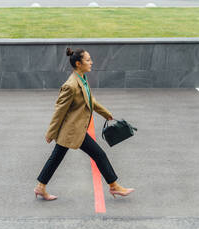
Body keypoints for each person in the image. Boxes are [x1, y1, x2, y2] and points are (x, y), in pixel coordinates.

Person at [34, 47, 134, 201]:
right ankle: (114, 186)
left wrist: (105, 113)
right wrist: (50, 133)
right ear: (79, 64)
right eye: (88, 60)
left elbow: (91, 100)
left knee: (56, 158)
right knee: (99, 154)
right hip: (73, 131)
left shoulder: (82, 79)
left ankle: (41, 187)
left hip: (74, 129)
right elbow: (59, 111)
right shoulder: (71, 85)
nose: (91, 62)